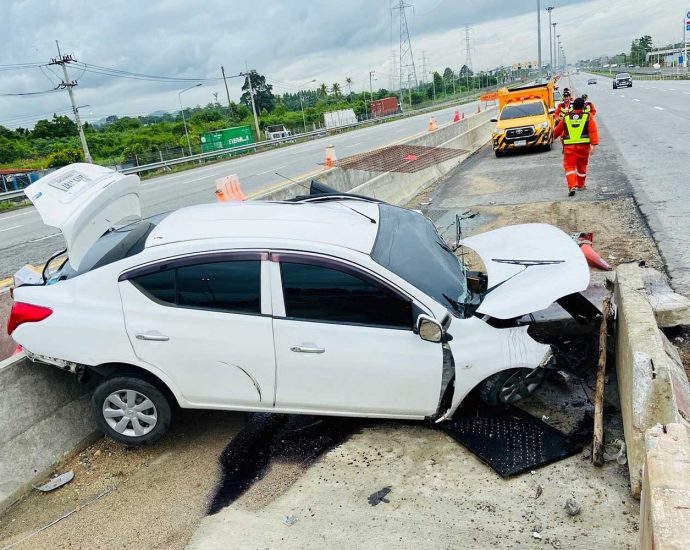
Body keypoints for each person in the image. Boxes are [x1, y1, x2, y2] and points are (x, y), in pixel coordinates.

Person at [553, 97, 599, 197]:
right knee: (582, 167)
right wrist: (593, 146)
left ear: (573, 106)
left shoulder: (566, 117)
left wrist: (551, 138)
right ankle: (581, 185)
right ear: (583, 106)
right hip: (583, 148)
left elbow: (557, 131)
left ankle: (572, 186)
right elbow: (593, 131)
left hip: (569, 149)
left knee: (569, 167)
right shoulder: (587, 116)